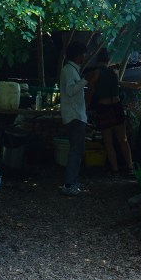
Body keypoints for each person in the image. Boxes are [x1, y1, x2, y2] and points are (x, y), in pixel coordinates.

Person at [85, 48, 134, 176]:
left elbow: (90, 92)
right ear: (108, 60)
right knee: (123, 139)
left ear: (97, 60)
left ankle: (115, 170)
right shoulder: (114, 72)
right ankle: (130, 167)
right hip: (117, 107)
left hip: (104, 107)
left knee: (108, 141)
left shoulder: (96, 73)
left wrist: (85, 107)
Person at [59, 40, 88, 196]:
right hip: (74, 116)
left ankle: (73, 182)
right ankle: (69, 184)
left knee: (77, 150)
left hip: (75, 115)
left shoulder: (71, 70)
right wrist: (86, 80)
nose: (85, 56)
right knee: (76, 151)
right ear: (78, 55)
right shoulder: (69, 70)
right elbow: (70, 91)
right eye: (83, 54)